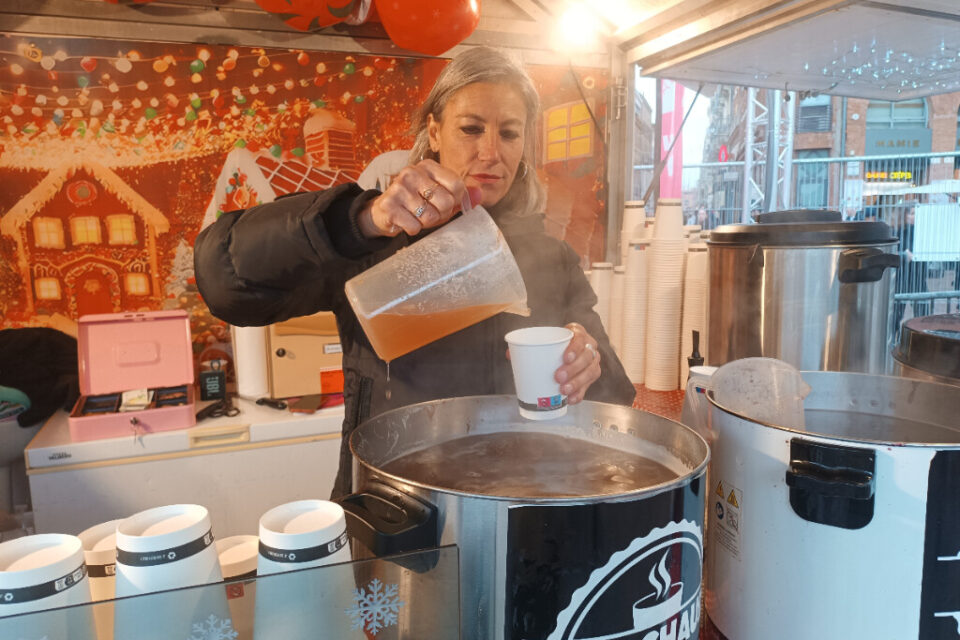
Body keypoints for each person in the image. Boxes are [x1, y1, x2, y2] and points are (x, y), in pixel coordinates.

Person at [194, 46, 636, 498]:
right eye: (470, 128)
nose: (491, 152)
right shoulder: (369, 240)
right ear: (434, 131)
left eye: (509, 133)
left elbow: (616, 400)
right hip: (393, 506)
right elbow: (223, 282)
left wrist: (587, 363)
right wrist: (362, 220)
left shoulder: (551, 259)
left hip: (516, 501)